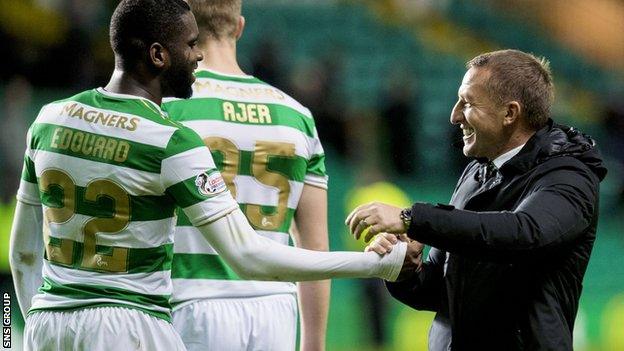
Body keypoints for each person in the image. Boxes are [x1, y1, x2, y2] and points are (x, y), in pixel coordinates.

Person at [8, 1, 421, 349]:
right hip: (244, 305)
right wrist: (363, 278)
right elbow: (279, 247)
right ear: (239, 27)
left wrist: (31, 324)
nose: (197, 56)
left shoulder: (57, 118)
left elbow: (24, 254)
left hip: (132, 307)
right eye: (189, 46)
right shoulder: (289, 116)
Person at [346, 49, 607, 350]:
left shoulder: (569, 175)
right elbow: (440, 292)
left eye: (468, 103)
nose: (454, 115)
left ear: (510, 113)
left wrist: (413, 219)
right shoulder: (476, 173)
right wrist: (406, 270)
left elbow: (524, 233)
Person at [162, 1, 329, 350]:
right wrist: (313, 344)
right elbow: (315, 249)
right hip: (275, 310)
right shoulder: (297, 116)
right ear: (239, 27)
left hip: (191, 299)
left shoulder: (166, 109)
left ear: (182, 33)